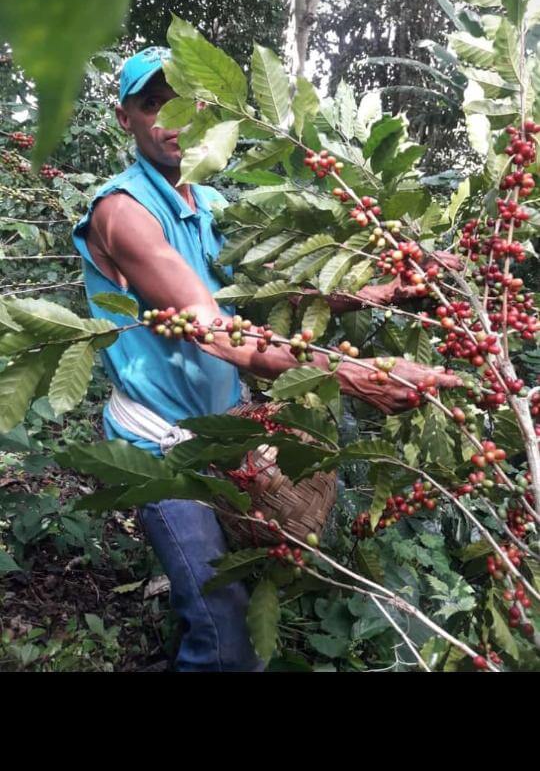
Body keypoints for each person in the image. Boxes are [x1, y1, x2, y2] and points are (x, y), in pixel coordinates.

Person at [73, 46, 459, 671]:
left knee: (232, 588)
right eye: (151, 104)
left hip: (229, 432)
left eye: (183, 101)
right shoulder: (123, 213)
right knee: (228, 638)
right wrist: (353, 374)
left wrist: (381, 291)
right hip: (159, 446)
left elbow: (273, 296)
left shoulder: (212, 206)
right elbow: (215, 332)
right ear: (125, 119)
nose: (170, 119)